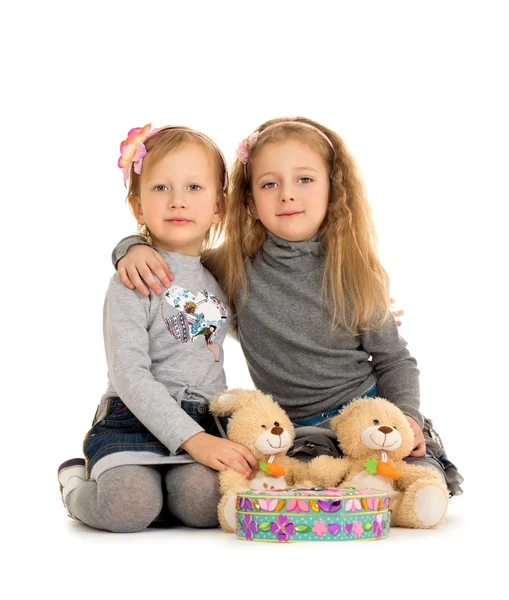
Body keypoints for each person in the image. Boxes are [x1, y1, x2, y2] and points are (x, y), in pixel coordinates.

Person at [110, 117, 463, 497]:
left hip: (367, 417)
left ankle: (420, 481)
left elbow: (395, 361)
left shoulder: (355, 272)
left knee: (405, 472)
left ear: (334, 188)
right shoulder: (231, 269)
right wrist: (131, 247)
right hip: (294, 433)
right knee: (297, 483)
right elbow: (179, 257)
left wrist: (406, 417)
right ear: (248, 200)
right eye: (269, 183)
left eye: (305, 179)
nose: (287, 195)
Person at [57, 124, 259, 533]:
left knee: (205, 506)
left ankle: (162, 494)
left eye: (194, 188)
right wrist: (129, 247)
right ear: (137, 205)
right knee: (127, 505)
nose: (178, 201)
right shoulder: (135, 278)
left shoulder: (221, 274)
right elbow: (128, 373)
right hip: (134, 417)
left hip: (201, 420)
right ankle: (74, 481)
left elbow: (259, 326)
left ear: (219, 206)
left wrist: (354, 313)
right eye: (161, 188)